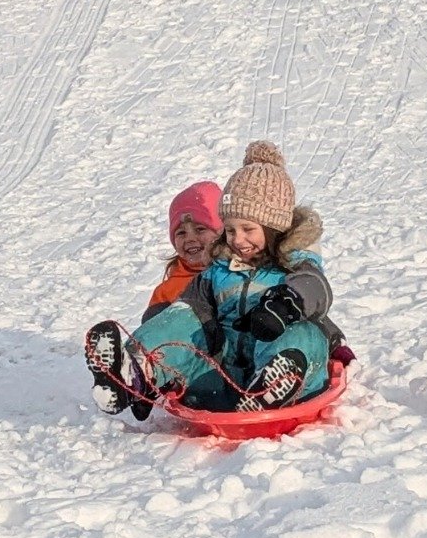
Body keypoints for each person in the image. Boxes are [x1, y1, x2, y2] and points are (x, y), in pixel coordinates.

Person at [86, 142, 339, 417]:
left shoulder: (296, 267)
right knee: (183, 317)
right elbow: (186, 318)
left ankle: (277, 381)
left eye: (247, 229)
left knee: (306, 334)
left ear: (273, 227)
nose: (237, 240)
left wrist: (287, 303)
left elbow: (316, 288)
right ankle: (134, 374)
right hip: (224, 386)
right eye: (229, 230)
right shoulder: (216, 272)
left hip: (295, 388)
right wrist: (164, 334)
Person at [143, 181, 224, 322]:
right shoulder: (166, 293)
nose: (190, 238)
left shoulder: (235, 274)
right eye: (181, 233)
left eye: (200, 229)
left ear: (222, 232)